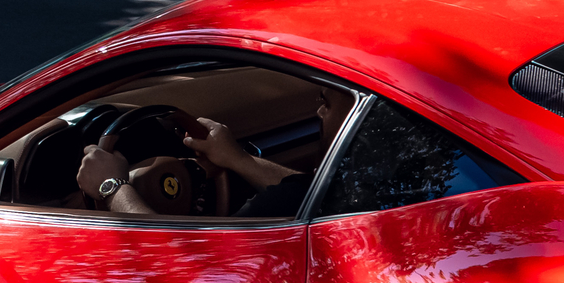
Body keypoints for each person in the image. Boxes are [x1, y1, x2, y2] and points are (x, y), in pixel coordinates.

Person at [72, 81, 358, 217]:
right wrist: (237, 159)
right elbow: (311, 195)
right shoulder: (362, 191)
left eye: (326, 101)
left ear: (359, 116)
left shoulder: (278, 214)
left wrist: (113, 187)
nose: (319, 112)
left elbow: (181, 259)